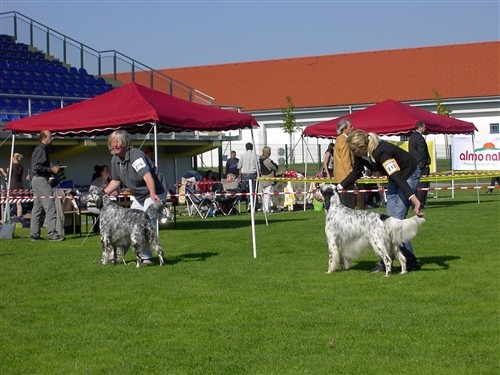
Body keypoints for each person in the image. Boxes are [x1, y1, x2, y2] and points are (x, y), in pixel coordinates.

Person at [338, 129, 422, 272]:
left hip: (408, 174)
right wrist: (338, 187)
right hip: (394, 177)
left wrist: (414, 198)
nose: (351, 152)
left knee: (396, 219)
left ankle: (395, 262)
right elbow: (356, 172)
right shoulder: (360, 154)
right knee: (388, 222)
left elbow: (396, 175)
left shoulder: (381, 151)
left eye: (353, 149)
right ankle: (405, 260)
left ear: (362, 147)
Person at [103, 130, 166, 264]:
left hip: (154, 191)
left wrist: (153, 194)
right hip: (138, 195)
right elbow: (115, 181)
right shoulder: (115, 160)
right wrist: (103, 194)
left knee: (146, 222)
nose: (114, 145)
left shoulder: (136, 156)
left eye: (117, 142)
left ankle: (146, 257)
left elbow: (147, 176)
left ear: (125, 143)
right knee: (128, 222)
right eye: (112, 142)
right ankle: (117, 255)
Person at [30, 131, 65, 241]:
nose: (52, 138)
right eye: (50, 136)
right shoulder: (42, 149)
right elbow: (37, 167)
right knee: (50, 207)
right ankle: (52, 234)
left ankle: (34, 234)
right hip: (40, 180)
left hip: (35, 180)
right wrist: (51, 169)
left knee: (37, 208)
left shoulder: (38, 149)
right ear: (44, 138)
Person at [408, 121, 431, 207]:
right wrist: (424, 163)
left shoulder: (411, 137)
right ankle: (420, 202)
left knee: (415, 184)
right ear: (420, 127)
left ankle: (414, 203)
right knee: (422, 185)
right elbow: (422, 152)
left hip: (414, 164)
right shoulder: (419, 138)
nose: (425, 129)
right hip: (421, 165)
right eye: (424, 128)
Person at [334, 118, 355, 208]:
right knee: (348, 206)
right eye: (350, 126)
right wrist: (351, 176)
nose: (352, 128)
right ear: (344, 129)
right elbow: (345, 160)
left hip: (340, 177)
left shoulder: (338, 139)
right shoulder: (343, 140)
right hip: (345, 178)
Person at [0, 153, 24, 217]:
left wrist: (3, 171)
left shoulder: (12, 166)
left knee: (8, 201)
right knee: (18, 203)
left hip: (13, 185)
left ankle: (7, 216)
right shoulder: (21, 166)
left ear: (13, 158)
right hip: (19, 185)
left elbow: (8, 177)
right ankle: (19, 216)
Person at [238, 142, 259, 211]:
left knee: (246, 190)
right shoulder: (255, 155)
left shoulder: (242, 156)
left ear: (246, 148)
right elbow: (258, 167)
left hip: (245, 175)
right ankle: (252, 204)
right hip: (253, 174)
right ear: (252, 148)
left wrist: (240, 177)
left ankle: (249, 203)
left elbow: (239, 167)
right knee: (253, 191)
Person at [259, 146, 278, 213]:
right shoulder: (267, 161)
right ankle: (266, 209)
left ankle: (264, 208)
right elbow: (275, 167)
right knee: (268, 195)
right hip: (268, 180)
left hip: (261, 179)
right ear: (267, 153)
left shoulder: (259, 160)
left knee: (264, 195)